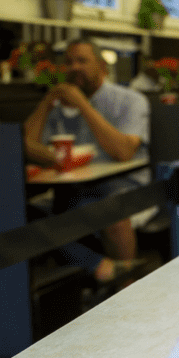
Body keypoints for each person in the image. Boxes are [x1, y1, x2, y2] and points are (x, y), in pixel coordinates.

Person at [23, 39, 150, 284]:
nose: (74, 68)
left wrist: (82, 104)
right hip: (71, 191)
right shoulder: (58, 107)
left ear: (102, 67)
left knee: (110, 209)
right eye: (69, 62)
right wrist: (46, 103)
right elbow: (24, 148)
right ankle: (100, 266)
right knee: (21, 215)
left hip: (125, 188)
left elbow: (123, 152)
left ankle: (127, 289)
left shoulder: (131, 100)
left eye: (82, 61)